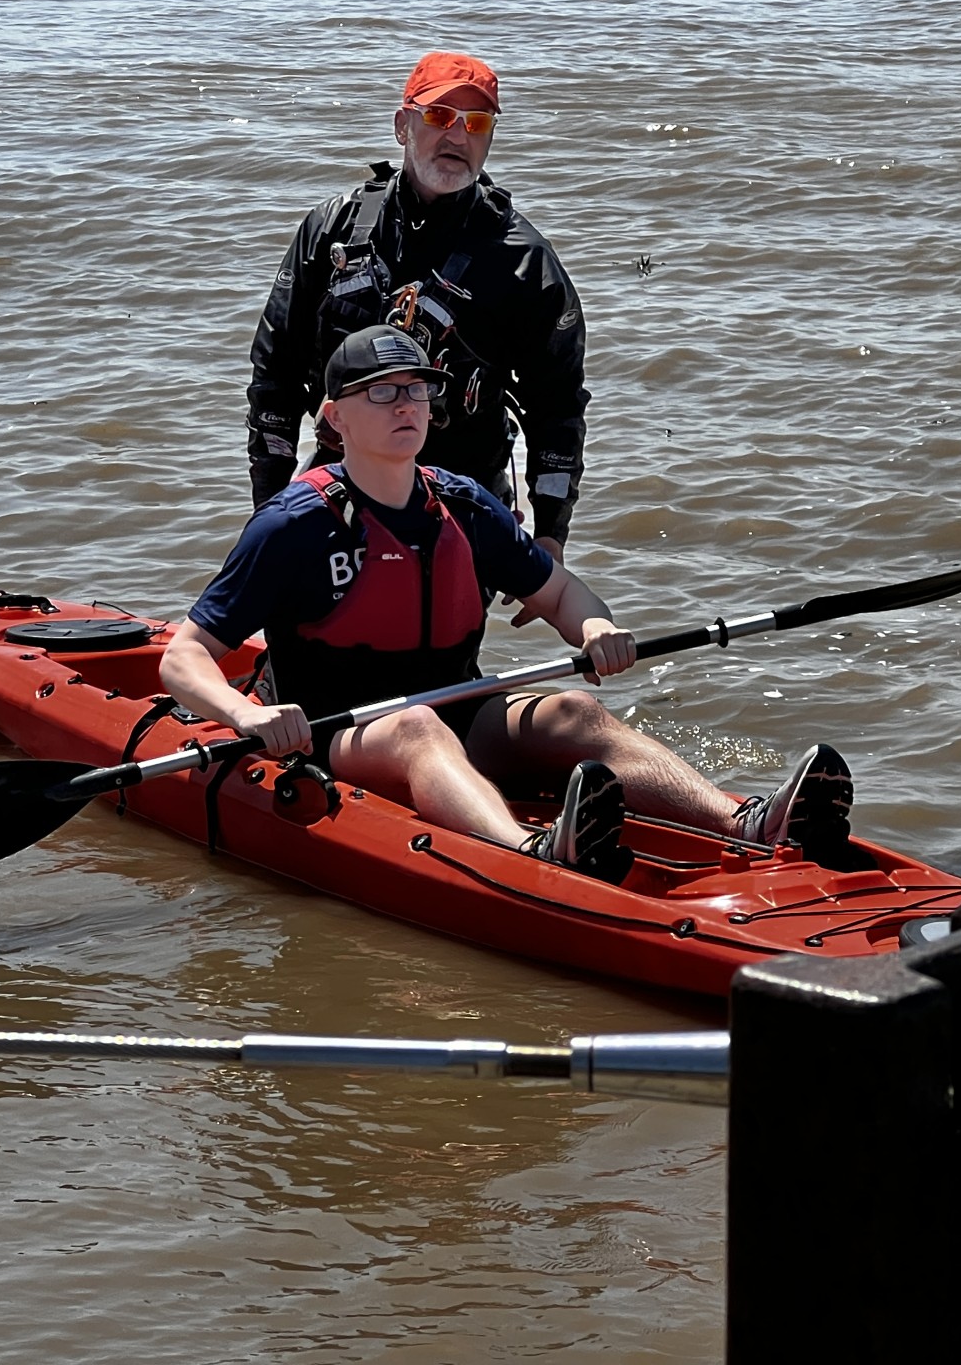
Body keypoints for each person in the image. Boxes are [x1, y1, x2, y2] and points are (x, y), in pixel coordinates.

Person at [168, 324, 853, 883]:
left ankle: (748, 824)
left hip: (458, 711)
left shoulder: (462, 503)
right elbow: (185, 658)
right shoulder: (294, 524)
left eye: (417, 389)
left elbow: (559, 591)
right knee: (417, 730)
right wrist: (244, 713)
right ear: (335, 415)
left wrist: (596, 626)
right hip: (337, 735)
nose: (407, 405)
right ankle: (529, 855)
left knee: (574, 708)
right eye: (382, 393)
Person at [245, 49, 588, 567]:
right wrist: (269, 509)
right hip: (337, 495)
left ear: (490, 137)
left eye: (476, 122)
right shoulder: (331, 229)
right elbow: (275, 375)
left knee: (440, 641)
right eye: (439, 117)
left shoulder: (525, 262)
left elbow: (557, 406)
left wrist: (550, 537)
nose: (457, 136)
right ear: (403, 125)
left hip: (465, 507)